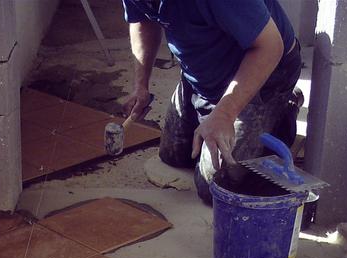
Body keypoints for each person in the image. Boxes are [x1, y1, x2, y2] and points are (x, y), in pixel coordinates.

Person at [122, 0, 303, 204]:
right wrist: (141, 86)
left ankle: (283, 105)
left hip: (265, 72)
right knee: (173, 156)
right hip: (203, 72)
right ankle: (214, 105)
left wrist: (226, 113)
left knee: (215, 187)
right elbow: (142, 20)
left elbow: (270, 47)